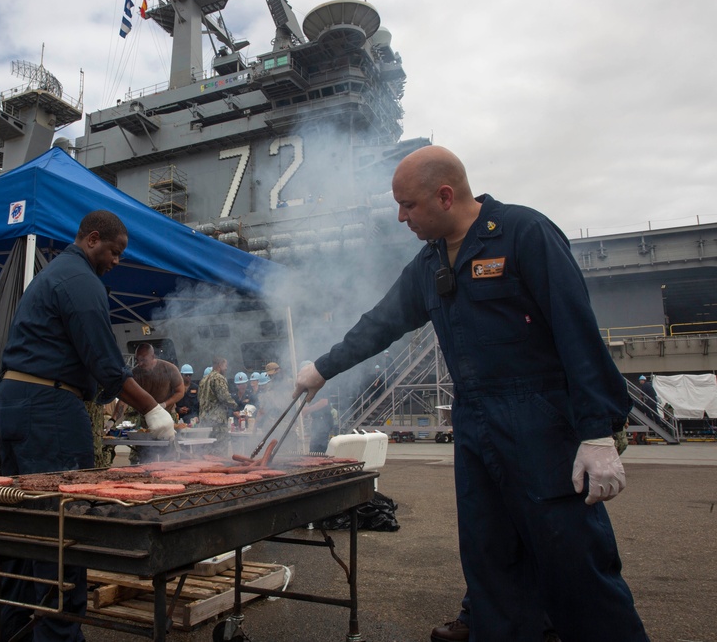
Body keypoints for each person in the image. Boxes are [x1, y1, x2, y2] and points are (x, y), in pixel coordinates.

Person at [294, 146, 647, 641]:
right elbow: (381, 324)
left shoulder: (525, 234)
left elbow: (577, 333)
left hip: (543, 425)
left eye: (408, 206)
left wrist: (597, 432)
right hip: (477, 426)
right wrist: (322, 369)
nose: (401, 218)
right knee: (490, 563)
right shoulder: (429, 263)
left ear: (444, 195)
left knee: (575, 566)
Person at [0, 210, 174, 642]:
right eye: (114, 251)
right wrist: (151, 409)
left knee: (17, 530)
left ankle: (5, 634)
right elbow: (105, 362)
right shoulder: (82, 281)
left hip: (16, 402)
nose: (117, 260)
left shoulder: (54, 275)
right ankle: (56, 636)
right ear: (92, 239)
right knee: (61, 530)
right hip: (47, 409)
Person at [122, 344, 185, 463]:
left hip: (166, 418)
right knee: (144, 454)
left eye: (143, 360)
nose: (140, 363)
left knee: (169, 453)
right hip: (146, 420)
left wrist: (165, 404)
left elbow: (180, 391)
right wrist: (113, 420)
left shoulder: (169, 369)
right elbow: (124, 397)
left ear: (153, 356)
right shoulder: (135, 373)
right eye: (137, 360)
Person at [198, 358, 239, 455]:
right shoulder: (219, 378)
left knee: (207, 450)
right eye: (225, 366)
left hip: (204, 420)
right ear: (220, 365)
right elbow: (224, 397)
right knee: (219, 451)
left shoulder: (203, 380)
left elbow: (200, 398)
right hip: (218, 422)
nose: (226, 368)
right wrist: (235, 406)